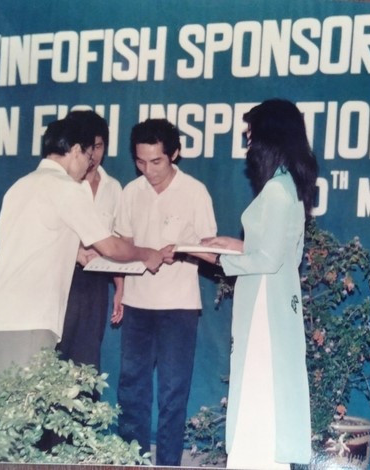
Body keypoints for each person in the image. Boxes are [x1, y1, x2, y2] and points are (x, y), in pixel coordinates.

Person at [0, 115, 164, 380]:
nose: (89, 166)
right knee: (25, 414)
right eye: (89, 157)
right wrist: (147, 254)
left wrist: (77, 253)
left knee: (0, 413)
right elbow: (112, 247)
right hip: (32, 319)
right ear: (77, 150)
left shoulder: (21, 186)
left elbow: (34, 238)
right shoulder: (66, 188)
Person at [198, 99, 318, 469]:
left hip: (266, 306)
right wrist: (233, 245)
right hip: (271, 299)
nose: (248, 148)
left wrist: (218, 260)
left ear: (269, 138)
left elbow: (267, 260)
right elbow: (278, 251)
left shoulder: (278, 191)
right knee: (264, 395)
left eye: (251, 138)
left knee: (258, 393)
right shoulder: (287, 187)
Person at [114, 118, 217, 467]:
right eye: (141, 161)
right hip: (136, 304)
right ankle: (132, 460)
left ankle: (169, 463)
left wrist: (184, 248)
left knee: (173, 393)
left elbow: (213, 253)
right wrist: (119, 289)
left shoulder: (195, 192)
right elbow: (123, 246)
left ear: (174, 154)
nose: (148, 170)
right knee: (131, 389)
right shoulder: (131, 192)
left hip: (179, 307)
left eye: (156, 161)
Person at [56, 110, 122, 373]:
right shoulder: (61, 185)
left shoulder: (113, 187)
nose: (93, 155)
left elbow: (117, 241)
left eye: (99, 146)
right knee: (56, 355)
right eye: (88, 147)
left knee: (87, 360)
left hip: (97, 283)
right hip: (62, 277)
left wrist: (120, 287)